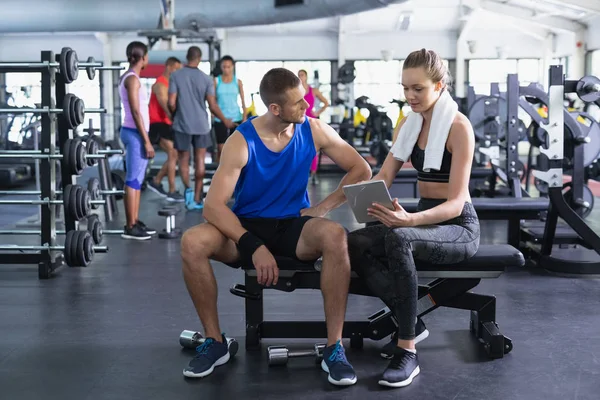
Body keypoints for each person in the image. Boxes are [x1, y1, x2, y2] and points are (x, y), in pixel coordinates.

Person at [180, 68, 371, 386]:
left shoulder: (313, 130)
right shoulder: (241, 141)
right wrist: (252, 246)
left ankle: (334, 347)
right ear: (275, 109)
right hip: (246, 226)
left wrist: (321, 209)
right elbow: (213, 206)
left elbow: (360, 168)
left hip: (293, 226)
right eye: (298, 103)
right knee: (192, 242)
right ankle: (215, 342)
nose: (306, 107)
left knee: (336, 236)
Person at [347, 49, 480, 388]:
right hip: (425, 220)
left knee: (399, 237)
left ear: (439, 85)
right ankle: (413, 322)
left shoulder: (458, 128)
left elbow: (455, 204)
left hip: (458, 227)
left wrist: (410, 221)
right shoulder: (409, 124)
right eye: (405, 88)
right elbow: (384, 176)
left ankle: (407, 349)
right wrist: (364, 201)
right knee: (355, 241)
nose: (409, 96)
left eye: (417, 89)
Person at [168, 46, 235, 211]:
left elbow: (171, 102)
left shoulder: (176, 75)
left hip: (182, 124)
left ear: (186, 57)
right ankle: (198, 199)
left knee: (183, 159)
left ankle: (188, 190)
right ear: (199, 58)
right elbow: (212, 105)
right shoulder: (206, 79)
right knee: (200, 160)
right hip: (201, 124)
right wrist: (225, 119)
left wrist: (174, 114)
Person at [118, 41, 157, 240]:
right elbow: (135, 111)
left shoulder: (130, 77)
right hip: (134, 134)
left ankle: (135, 220)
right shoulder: (132, 79)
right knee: (132, 180)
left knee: (137, 180)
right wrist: (146, 141)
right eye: (147, 56)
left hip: (135, 133)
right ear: (143, 58)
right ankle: (130, 225)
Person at [146, 56, 184, 202]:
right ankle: (172, 190)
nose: (178, 72)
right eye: (176, 69)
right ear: (169, 67)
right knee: (173, 153)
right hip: (157, 124)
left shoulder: (172, 85)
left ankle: (156, 181)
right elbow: (164, 105)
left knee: (175, 154)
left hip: (168, 123)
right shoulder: (160, 84)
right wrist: (175, 119)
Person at [213, 55, 247, 163]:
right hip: (220, 118)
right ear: (221, 67)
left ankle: (234, 175)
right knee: (221, 149)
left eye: (228, 67)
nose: (226, 69)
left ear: (232, 67)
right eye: (224, 67)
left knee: (235, 148)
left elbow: (243, 101)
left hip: (235, 117)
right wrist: (223, 119)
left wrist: (244, 118)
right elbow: (212, 102)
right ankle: (220, 174)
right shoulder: (216, 81)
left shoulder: (238, 82)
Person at [298, 69, 329, 185]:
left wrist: (317, 112)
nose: (300, 77)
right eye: (299, 75)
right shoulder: (296, 91)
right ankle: (301, 174)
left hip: (311, 120)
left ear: (306, 77)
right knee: (300, 148)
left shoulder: (313, 90)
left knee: (313, 147)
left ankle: (314, 174)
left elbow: (326, 102)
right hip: (299, 121)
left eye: (302, 75)